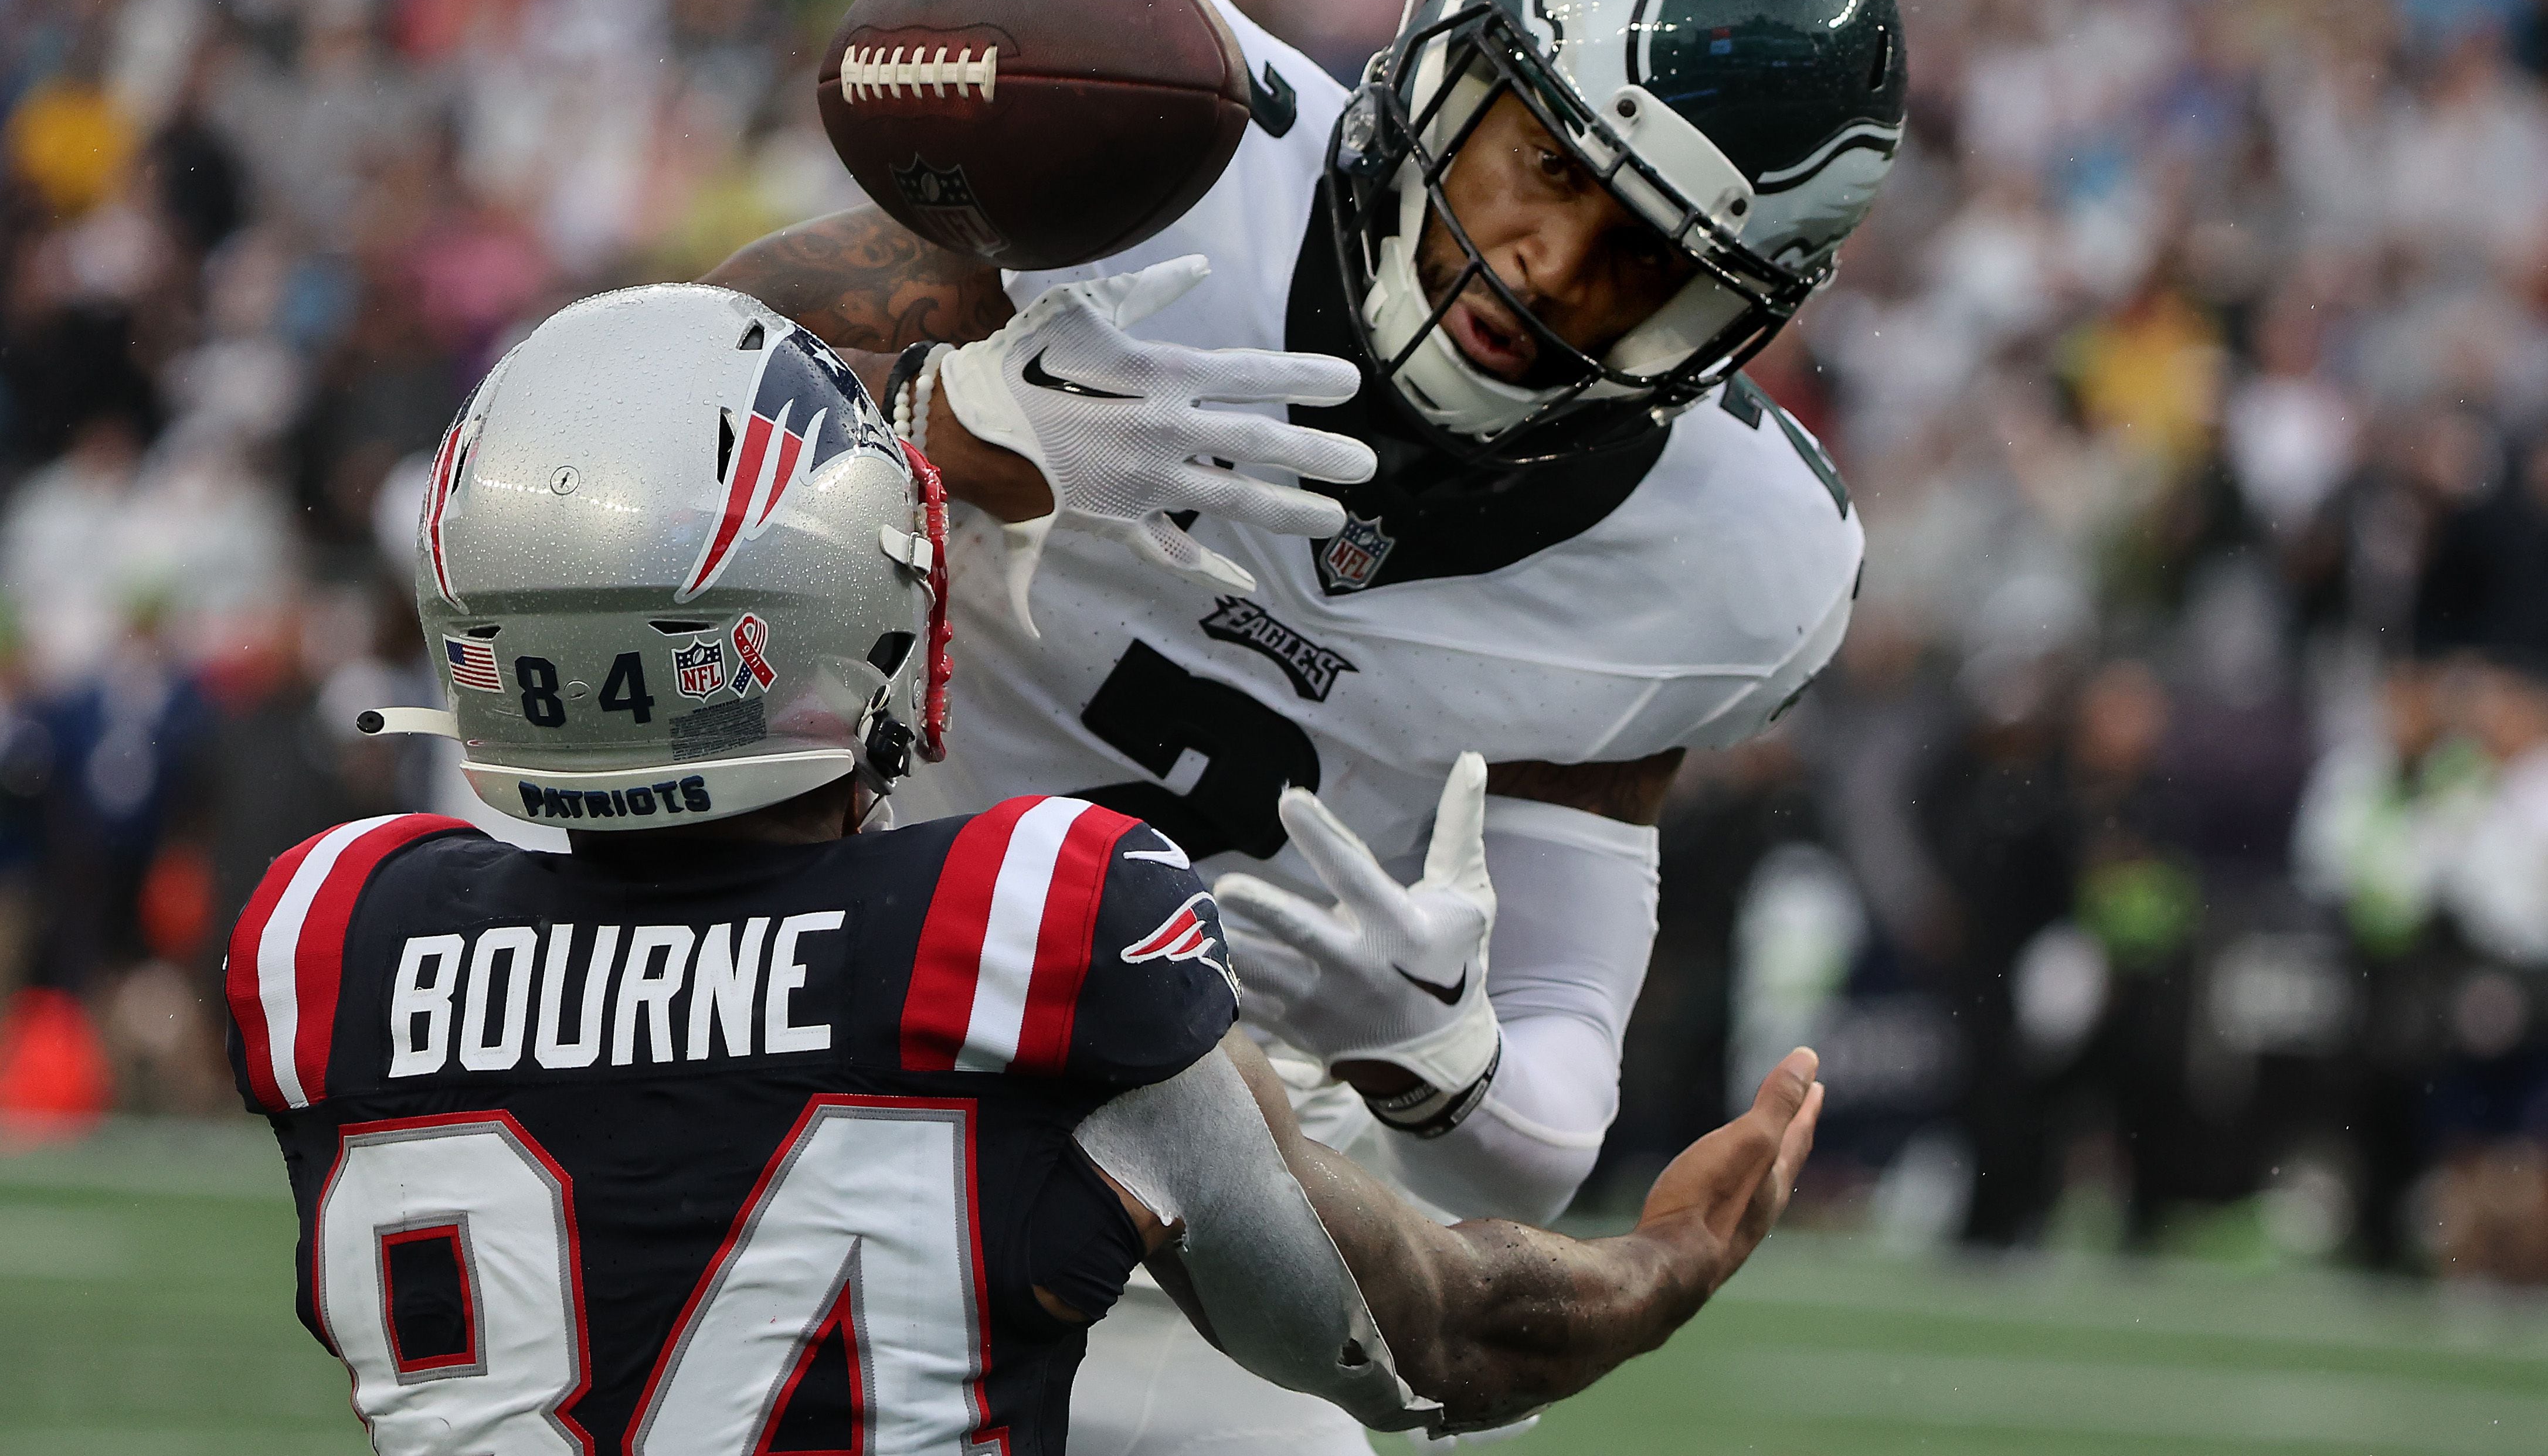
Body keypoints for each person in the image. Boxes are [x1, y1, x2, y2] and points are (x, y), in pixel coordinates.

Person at [710, 0, 1898, 1451]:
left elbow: (1542, 1124)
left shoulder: (1720, 563)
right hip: (808, 1003)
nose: (1549, 266)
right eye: (1547, 169)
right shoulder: (1153, 145)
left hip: (1210, 1156)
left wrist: (1434, 1052)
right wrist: (947, 429)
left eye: (1643, 258)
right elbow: (638, 445)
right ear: (1445, 70)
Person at [222, 285, 1825, 1455]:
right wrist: (1669, 1259)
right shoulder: (1019, 930)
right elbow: (1430, 1339)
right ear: (843, 612)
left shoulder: (326, 940)